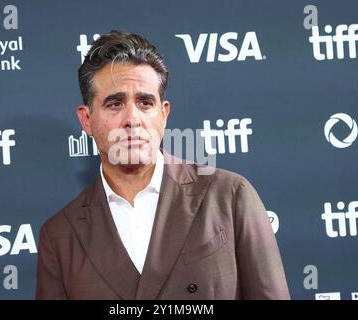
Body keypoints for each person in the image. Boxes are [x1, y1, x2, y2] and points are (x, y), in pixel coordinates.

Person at [35, 30, 290, 300]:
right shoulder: (59, 236)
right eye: (115, 103)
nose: (132, 119)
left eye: (145, 103)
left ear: (163, 114)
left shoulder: (229, 196)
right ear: (86, 119)